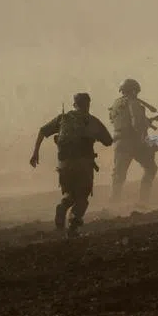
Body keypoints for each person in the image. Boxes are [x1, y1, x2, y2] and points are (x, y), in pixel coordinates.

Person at [30, 92, 113, 237]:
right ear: (88, 105)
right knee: (82, 197)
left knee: (69, 193)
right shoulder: (92, 121)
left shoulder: (63, 118)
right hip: (84, 164)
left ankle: (62, 208)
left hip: (64, 164)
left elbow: (43, 131)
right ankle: (73, 224)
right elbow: (108, 141)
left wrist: (35, 153)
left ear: (74, 105)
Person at [108, 78, 158, 204]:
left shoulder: (116, 104)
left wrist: (149, 121)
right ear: (133, 91)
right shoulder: (133, 103)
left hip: (119, 142)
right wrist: (147, 127)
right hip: (134, 142)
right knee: (151, 168)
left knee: (119, 175)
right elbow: (137, 124)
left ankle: (114, 203)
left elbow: (116, 121)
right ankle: (143, 200)